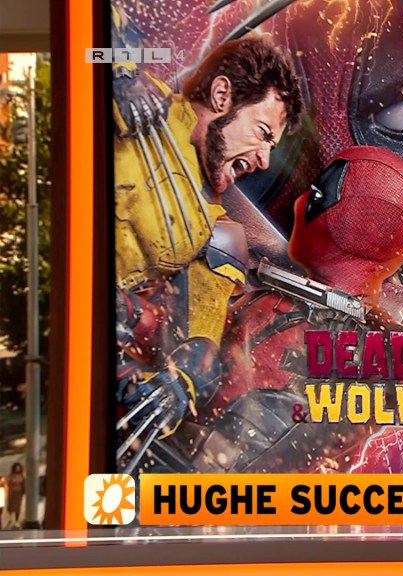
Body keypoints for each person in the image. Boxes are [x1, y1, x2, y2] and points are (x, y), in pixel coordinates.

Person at [113, 37, 305, 471]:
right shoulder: (144, 100)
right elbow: (95, 41)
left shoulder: (221, 232)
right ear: (221, 96)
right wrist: (120, 72)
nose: (263, 159)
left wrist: (177, 385)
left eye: (272, 148)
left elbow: (202, 336)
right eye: (262, 134)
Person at [5, 463, 25, 529]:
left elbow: (23, 484)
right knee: (11, 506)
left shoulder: (21, 476)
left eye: (18, 468)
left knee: (18, 507)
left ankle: (16, 520)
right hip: (12, 492)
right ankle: (11, 519)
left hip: (19, 493)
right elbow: (8, 482)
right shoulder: (11, 475)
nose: (17, 469)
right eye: (16, 467)